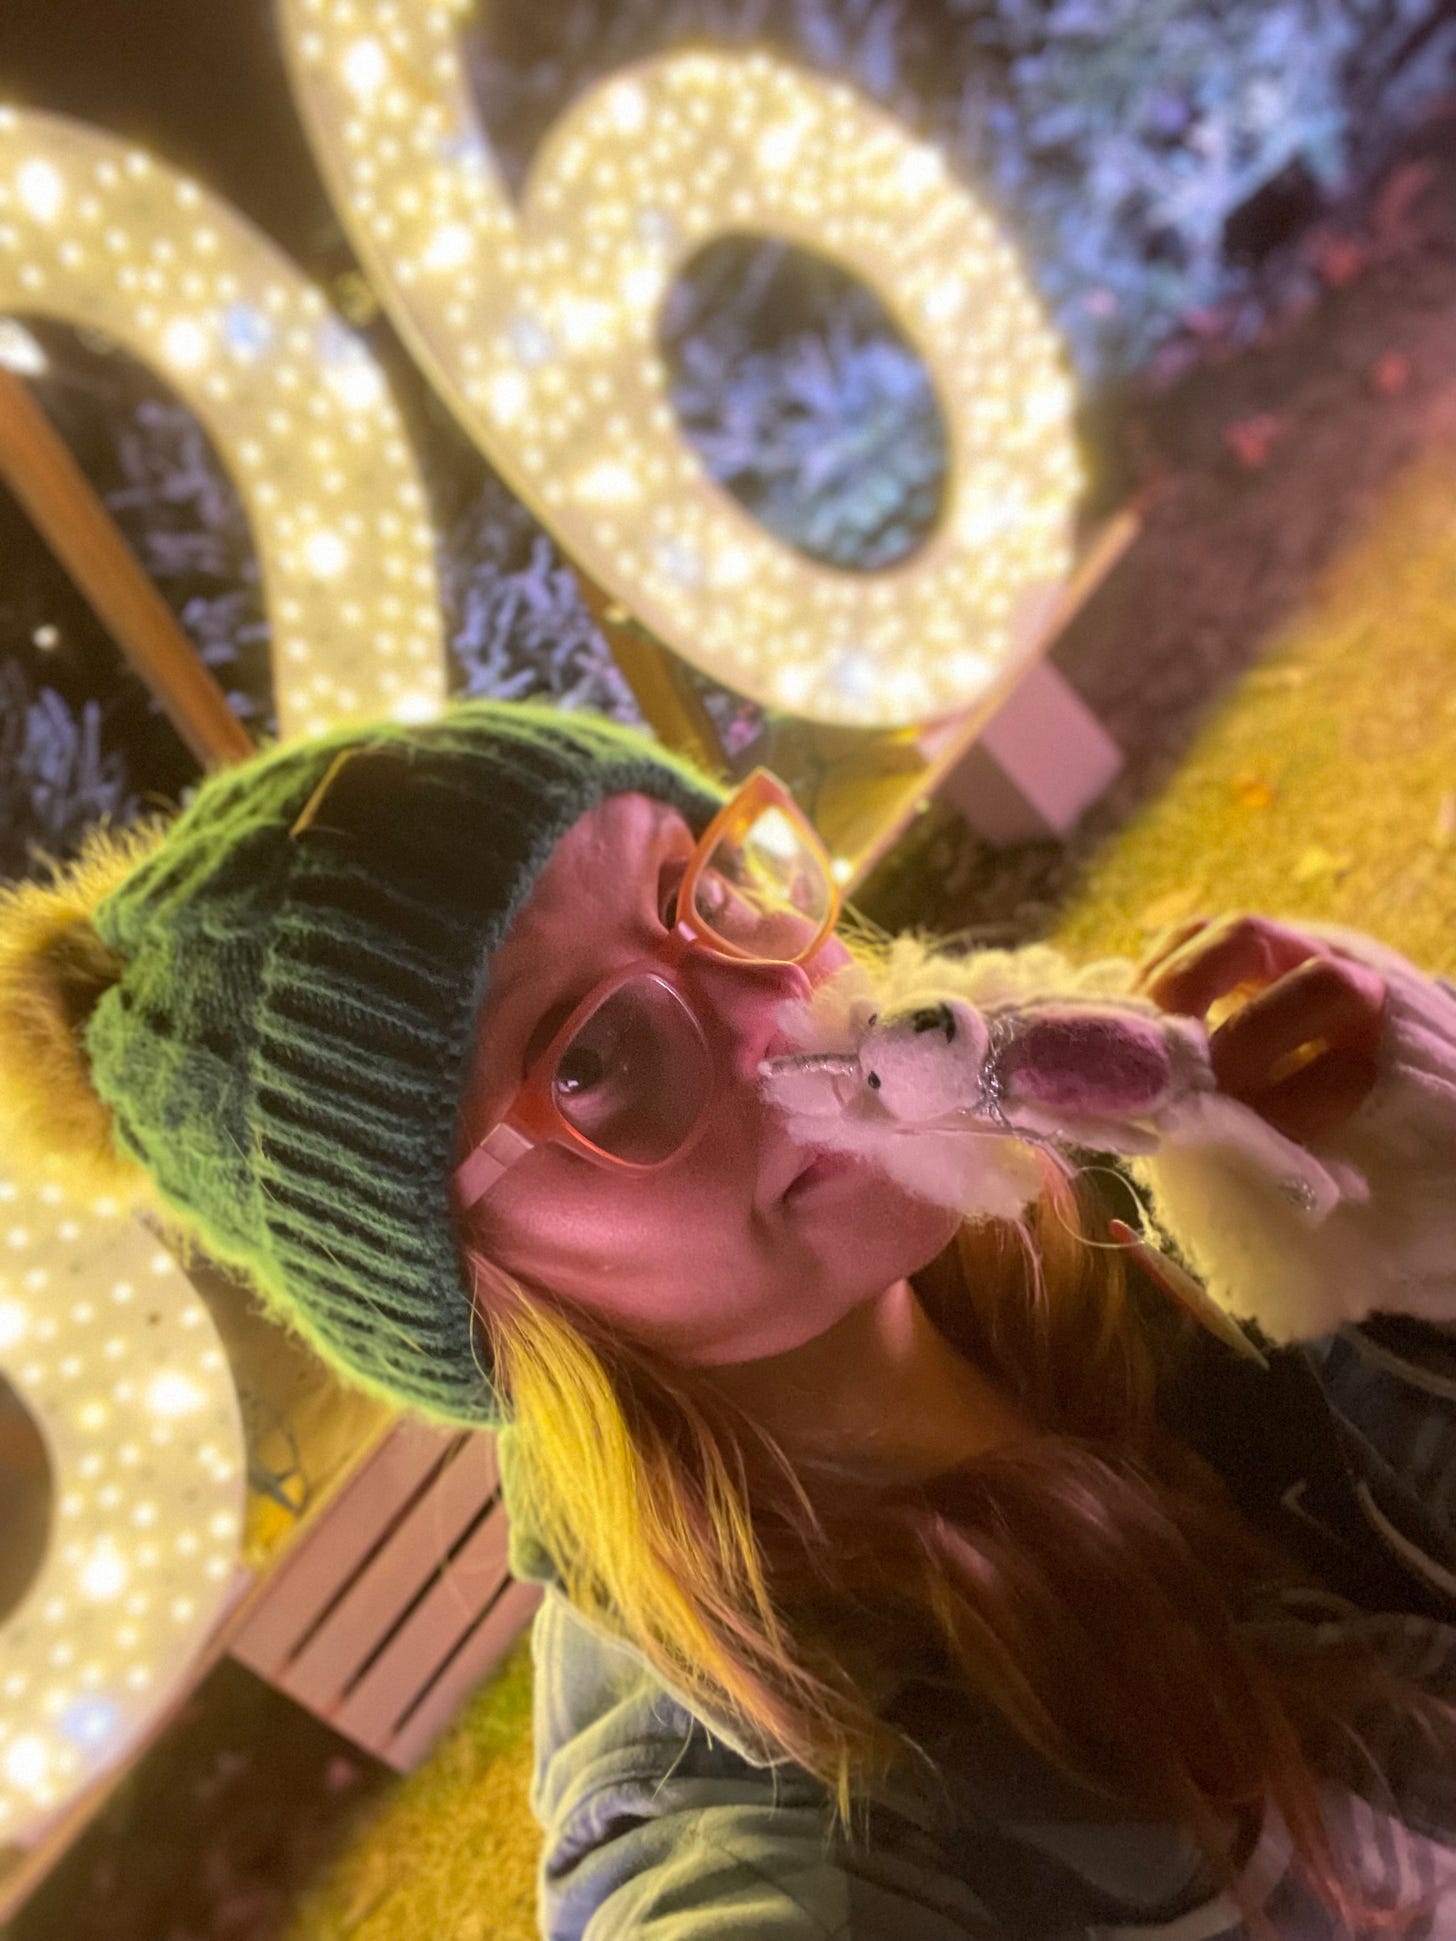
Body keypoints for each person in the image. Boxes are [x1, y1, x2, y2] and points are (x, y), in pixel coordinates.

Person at [1, 697, 1453, 1941]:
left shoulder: (1131, 1206)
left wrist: (1420, 1207)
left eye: (706, 885)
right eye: (594, 1057)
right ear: (473, 1295)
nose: (770, 1010)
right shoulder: (775, 1820)